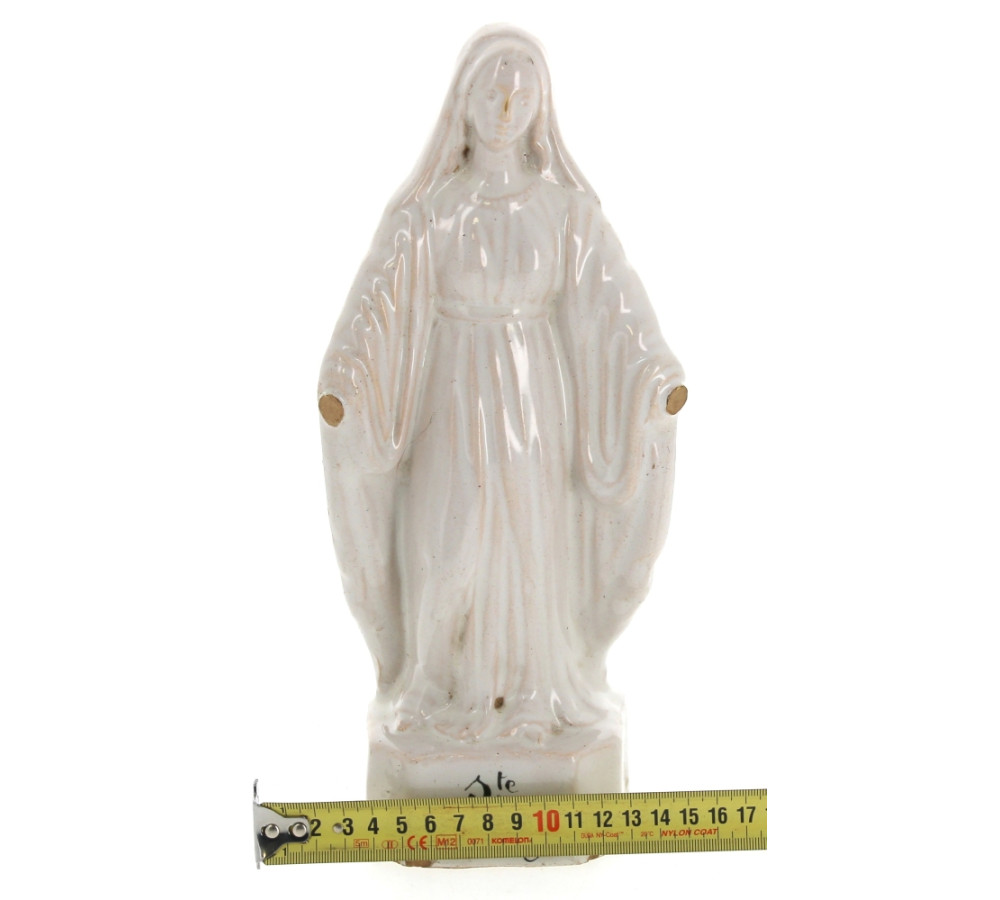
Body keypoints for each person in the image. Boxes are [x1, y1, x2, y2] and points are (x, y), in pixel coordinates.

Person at [319, 26, 685, 745]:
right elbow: (376, 302)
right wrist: (347, 378)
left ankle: (531, 693)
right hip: (453, 388)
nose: (506, 107)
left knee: (528, 538)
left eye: (522, 93)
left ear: (542, 107)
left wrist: (654, 372)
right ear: (464, 102)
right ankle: (434, 684)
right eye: (492, 91)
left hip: (533, 393)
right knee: (448, 536)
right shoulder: (430, 214)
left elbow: (616, 300)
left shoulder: (565, 214)